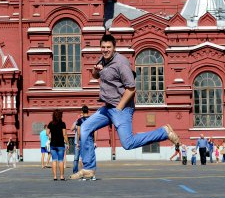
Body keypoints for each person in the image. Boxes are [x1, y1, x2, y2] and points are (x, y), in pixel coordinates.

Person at [70, 34, 179, 179]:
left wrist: (120, 107)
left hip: (121, 108)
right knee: (85, 128)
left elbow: (131, 88)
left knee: (127, 143)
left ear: (114, 48)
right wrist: (96, 70)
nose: (105, 50)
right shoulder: (102, 59)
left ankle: (164, 132)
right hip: (107, 108)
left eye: (108, 47)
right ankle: (89, 168)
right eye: (103, 47)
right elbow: (96, 76)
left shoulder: (121, 63)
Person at [74, 106, 97, 180]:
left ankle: (83, 176)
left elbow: (79, 132)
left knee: (82, 158)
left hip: (82, 140)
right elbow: (95, 131)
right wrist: (95, 141)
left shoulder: (79, 120)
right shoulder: (92, 119)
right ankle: (92, 175)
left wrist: (78, 142)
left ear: (82, 112)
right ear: (88, 111)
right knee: (92, 158)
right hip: (90, 140)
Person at [46, 109, 69, 181]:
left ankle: (55, 176)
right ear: (60, 116)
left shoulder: (50, 123)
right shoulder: (63, 124)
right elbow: (64, 134)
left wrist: (50, 136)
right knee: (61, 160)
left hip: (53, 144)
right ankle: (62, 176)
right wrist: (67, 143)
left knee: (54, 160)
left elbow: (47, 133)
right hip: (60, 144)